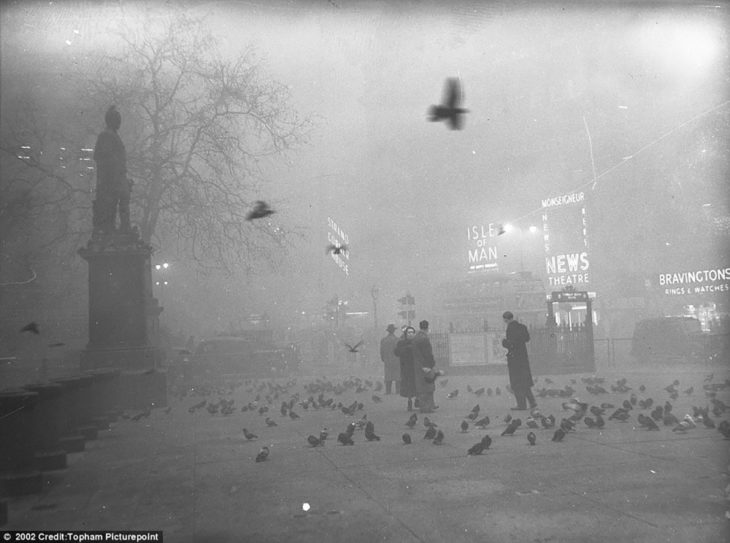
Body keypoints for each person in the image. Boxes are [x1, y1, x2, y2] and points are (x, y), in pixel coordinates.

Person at [93, 105, 132, 234]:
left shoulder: (112, 135)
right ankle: (119, 229)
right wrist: (117, 175)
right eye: (117, 119)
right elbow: (103, 156)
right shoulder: (106, 135)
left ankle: (124, 228)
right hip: (112, 178)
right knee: (116, 203)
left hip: (118, 176)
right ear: (111, 120)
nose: (119, 122)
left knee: (123, 201)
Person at [502, 311, 537, 411]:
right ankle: (532, 402)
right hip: (523, 358)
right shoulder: (522, 327)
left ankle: (521, 405)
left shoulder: (510, 328)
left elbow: (511, 344)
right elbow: (527, 339)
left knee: (516, 383)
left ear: (506, 319)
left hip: (514, 359)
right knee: (525, 381)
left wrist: (504, 343)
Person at [412, 320, 438, 413]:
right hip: (425, 365)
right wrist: (431, 364)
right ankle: (427, 407)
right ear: (427, 327)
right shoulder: (424, 338)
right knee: (428, 386)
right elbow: (428, 354)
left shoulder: (416, 338)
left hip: (418, 365)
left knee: (421, 386)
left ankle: (423, 406)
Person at [394, 326, 417, 411]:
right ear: (406, 334)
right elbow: (396, 352)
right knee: (409, 386)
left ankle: (417, 400)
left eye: (412, 332)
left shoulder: (417, 342)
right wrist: (406, 349)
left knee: (417, 384)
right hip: (406, 368)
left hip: (416, 367)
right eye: (409, 332)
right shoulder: (401, 343)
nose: (411, 334)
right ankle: (409, 401)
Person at [380, 324, 400, 394]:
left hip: (387, 361)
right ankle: (398, 390)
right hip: (396, 360)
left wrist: (384, 358)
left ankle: (388, 391)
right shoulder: (397, 340)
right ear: (394, 331)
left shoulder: (384, 340)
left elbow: (382, 351)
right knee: (397, 376)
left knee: (388, 376)